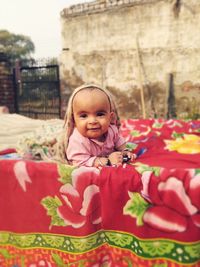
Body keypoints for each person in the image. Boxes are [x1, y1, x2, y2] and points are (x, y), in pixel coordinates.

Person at [62, 84, 135, 168]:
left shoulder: (111, 130)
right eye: (84, 116)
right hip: (89, 159)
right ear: (74, 120)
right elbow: (78, 161)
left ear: (110, 117)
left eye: (100, 114)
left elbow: (118, 141)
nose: (93, 121)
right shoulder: (78, 140)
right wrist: (105, 161)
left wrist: (124, 151)